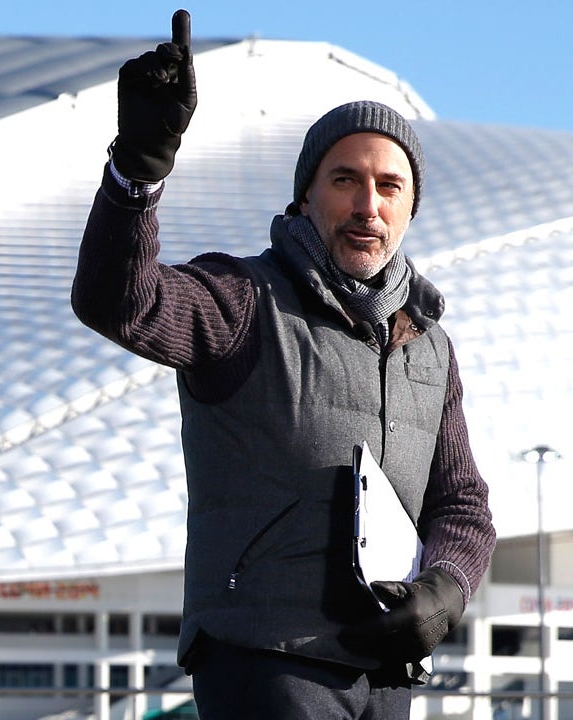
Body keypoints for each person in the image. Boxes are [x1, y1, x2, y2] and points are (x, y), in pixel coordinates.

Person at [71, 9, 496, 719]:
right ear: (305, 195)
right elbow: (119, 302)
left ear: (411, 207)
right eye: (345, 179)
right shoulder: (242, 299)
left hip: (385, 670)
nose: (367, 205)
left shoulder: (428, 345)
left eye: (389, 187)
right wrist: (135, 171)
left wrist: (445, 591)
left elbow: (462, 504)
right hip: (264, 656)